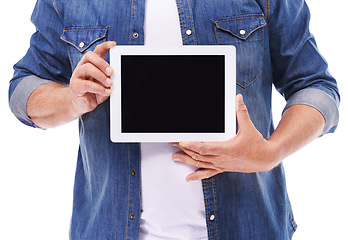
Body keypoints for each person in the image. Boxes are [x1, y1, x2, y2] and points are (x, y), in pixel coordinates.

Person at [8, 0, 339, 239]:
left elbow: (316, 86)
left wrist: (272, 152)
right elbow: (24, 90)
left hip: (248, 227)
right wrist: (71, 99)